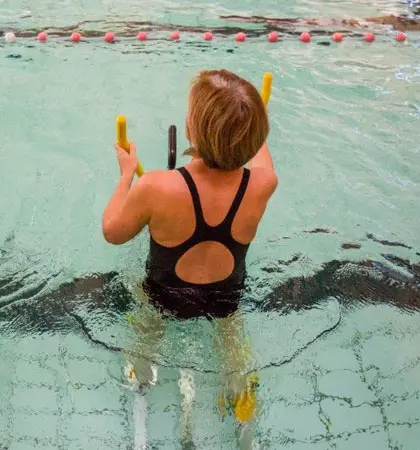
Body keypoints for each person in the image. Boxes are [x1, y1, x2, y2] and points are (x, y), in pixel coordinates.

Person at [101, 69, 277, 448]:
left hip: (166, 296)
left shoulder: (157, 187)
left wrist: (125, 176)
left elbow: (112, 232)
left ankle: (142, 375)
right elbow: (259, 151)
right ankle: (240, 389)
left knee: (147, 328)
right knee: (233, 340)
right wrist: (250, 121)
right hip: (227, 297)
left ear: (192, 132)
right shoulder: (263, 183)